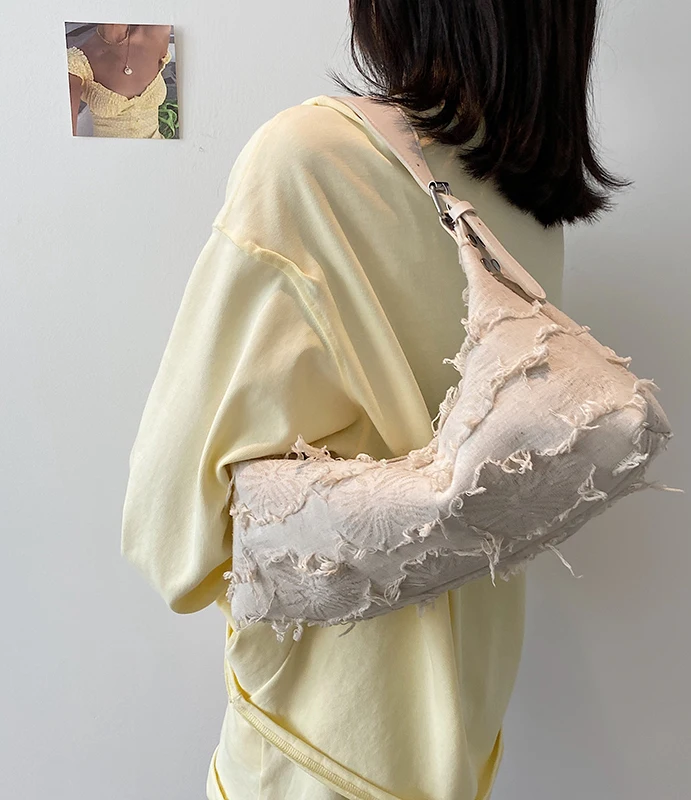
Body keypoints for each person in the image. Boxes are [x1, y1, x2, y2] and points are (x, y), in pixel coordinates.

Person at [120, 1, 628, 798]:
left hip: (321, 739)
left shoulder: (309, 161)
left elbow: (168, 534)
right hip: (464, 726)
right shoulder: (526, 198)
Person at [67, 23, 172, 138]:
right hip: (108, 150)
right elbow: (64, 139)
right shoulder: (78, 61)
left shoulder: (157, 33)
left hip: (160, 147)